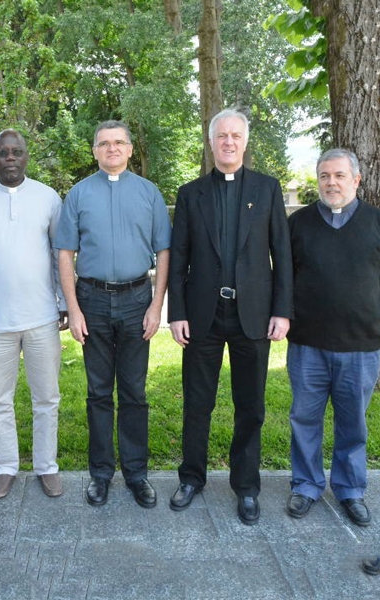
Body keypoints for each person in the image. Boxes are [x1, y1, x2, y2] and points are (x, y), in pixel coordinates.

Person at [168, 108, 292, 525]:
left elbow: (283, 256)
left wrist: (282, 310)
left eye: (236, 135)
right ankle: (191, 478)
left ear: (245, 141)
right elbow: (179, 257)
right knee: (197, 403)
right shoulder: (191, 193)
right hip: (203, 314)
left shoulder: (268, 189)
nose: (229, 142)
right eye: (221, 135)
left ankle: (247, 486)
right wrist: (177, 313)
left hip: (252, 315)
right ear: (211, 141)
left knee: (251, 406)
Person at [55, 120, 171, 508]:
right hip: (93, 300)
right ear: (94, 151)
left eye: (119, 142)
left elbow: (165, 252)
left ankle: (137, 474)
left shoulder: (149, 193)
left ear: (131, 149)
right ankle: (101, 474)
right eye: (104, 143)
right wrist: (73, 309)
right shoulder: (78, 194)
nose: (112, 149)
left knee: (135, 392)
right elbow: (65, 254)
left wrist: (157, 305)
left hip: (139, 299)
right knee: (99, 391)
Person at [286, 149, 380, 528]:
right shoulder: (300, 223)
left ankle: (350, 489)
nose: (331, 183)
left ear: (356, 180)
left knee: (352, 423)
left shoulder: (376, 222)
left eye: (340, 176)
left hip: (361, 344)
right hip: (308, 342)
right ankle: (306, 485)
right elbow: (285, 278)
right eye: (325, 176)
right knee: (304, 418)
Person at [0, 129, 67, 499]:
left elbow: (61, 254)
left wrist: (63, 303)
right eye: (3, 153)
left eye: (17, 152)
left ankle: (47, 465)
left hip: (42, 317)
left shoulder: (48, 198)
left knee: (47, 397)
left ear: (27, 156)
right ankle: (5, 466)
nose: (10, 158)